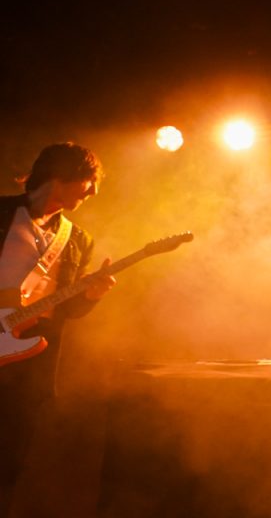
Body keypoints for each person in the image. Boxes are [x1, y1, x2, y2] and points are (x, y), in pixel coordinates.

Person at [0, 142, 116, 515]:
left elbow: (68, 309)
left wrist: (92, 295)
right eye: (87, 182)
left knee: (11, 455)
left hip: (30, 359)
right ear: (61, 175)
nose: (93, 192)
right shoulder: (1, 213)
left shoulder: (78, 239)